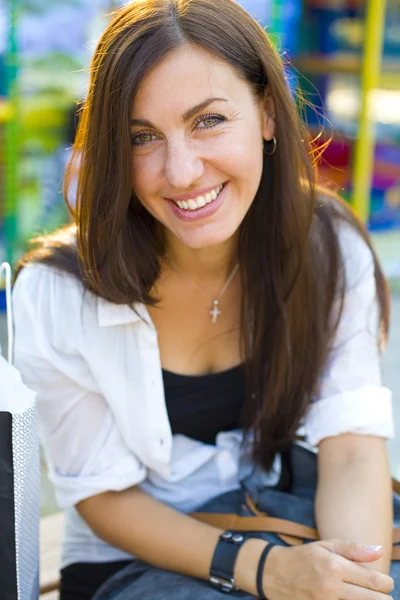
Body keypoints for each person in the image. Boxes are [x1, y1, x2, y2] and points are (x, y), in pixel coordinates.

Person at [12, 1, 396, 599]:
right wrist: (271, 573)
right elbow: (102, 496)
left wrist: (357, 586)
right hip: (136, 559)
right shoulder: (59, 294)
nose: (182, 171)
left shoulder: (325, 245)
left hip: (284, 516)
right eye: (142, 138)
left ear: (267, 113)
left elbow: (351, 450)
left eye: (209, 121)